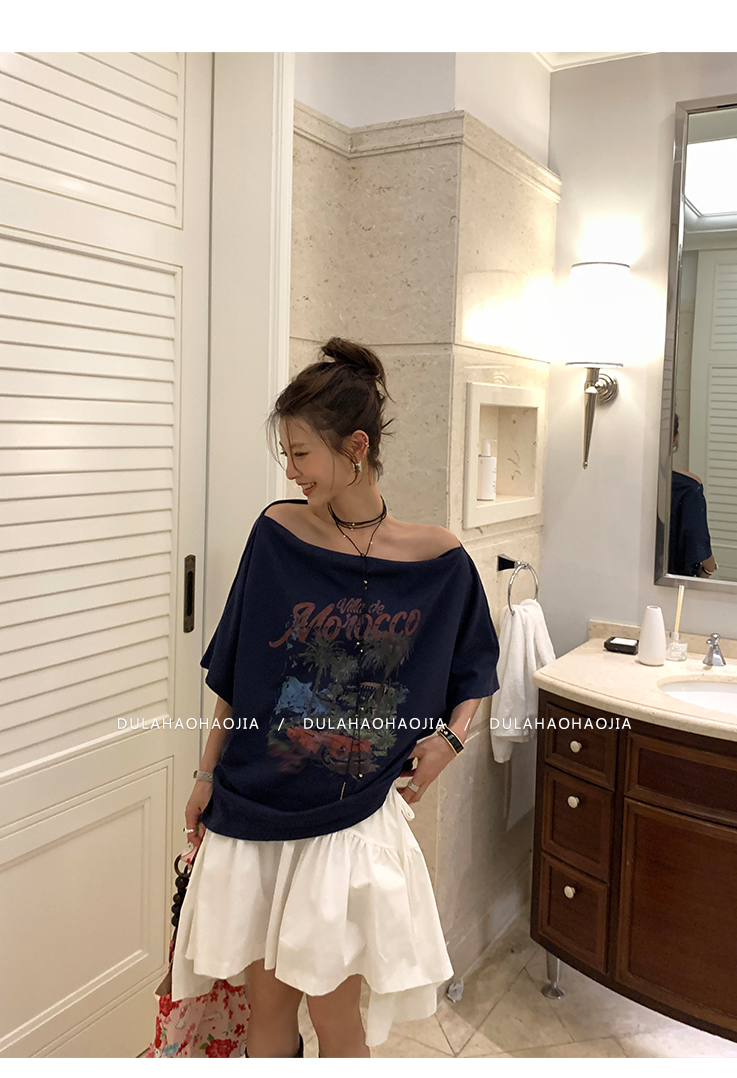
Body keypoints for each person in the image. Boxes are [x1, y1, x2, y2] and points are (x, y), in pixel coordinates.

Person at [169, 337, 500, 1057]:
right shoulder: (277, 533)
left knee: (336, 1016)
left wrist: (450, 740)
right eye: (285, 455)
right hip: (255, 806)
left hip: (348, 823)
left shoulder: (437, 558)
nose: (290, 471)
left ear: (356, 448)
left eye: (301, 454)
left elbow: (476, 668)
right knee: (266, 1015)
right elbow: (236, 671)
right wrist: (204, 774)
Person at [669, 413, 717, 578]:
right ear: (675, 437)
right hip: (675, 584)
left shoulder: (621, 483)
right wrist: (708, 570)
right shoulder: (688, 487)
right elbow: (698, 544)